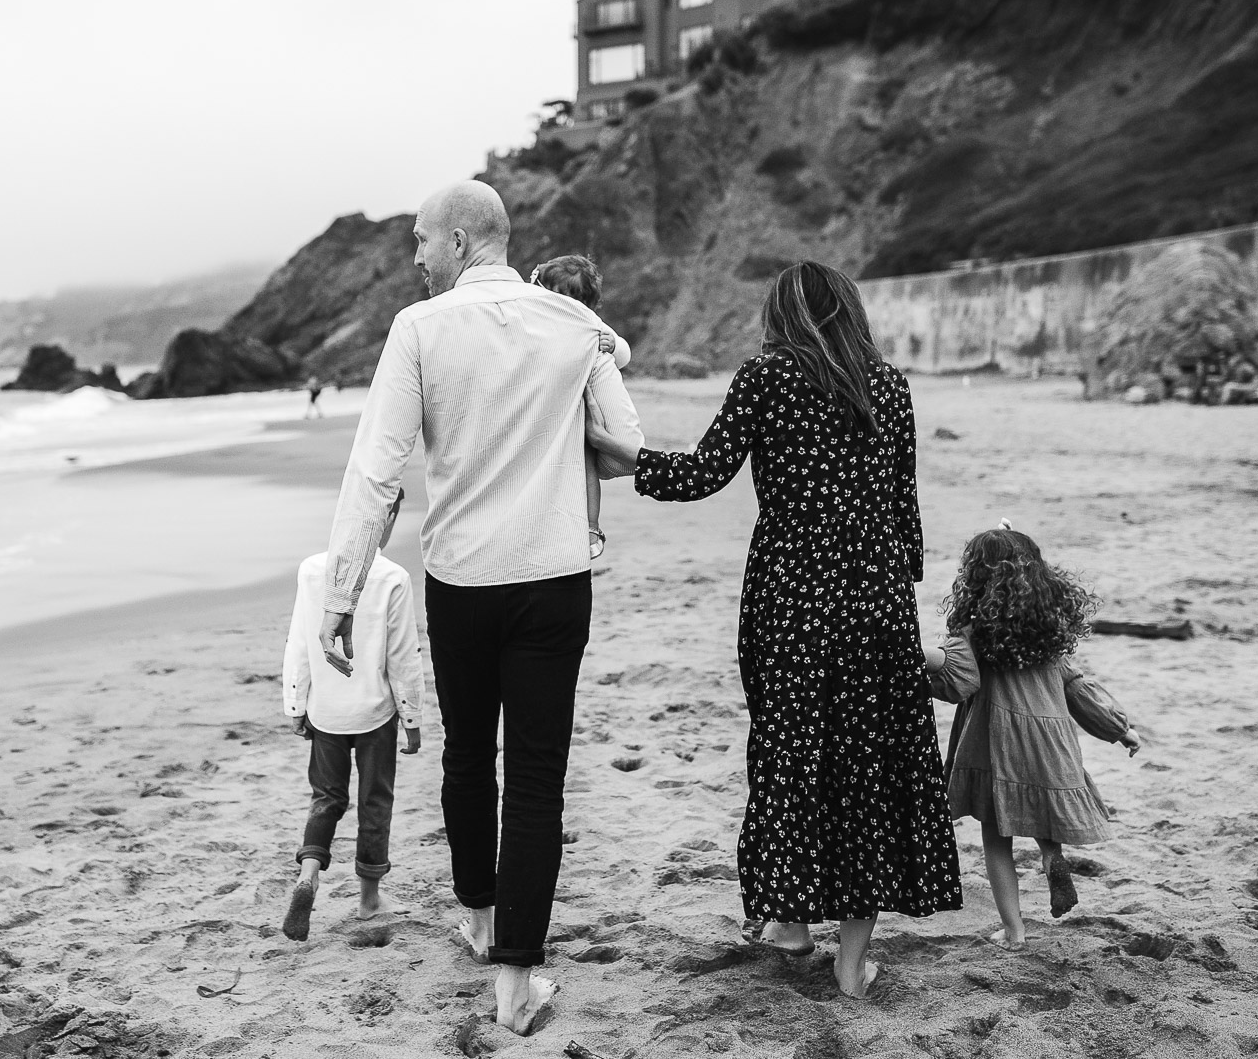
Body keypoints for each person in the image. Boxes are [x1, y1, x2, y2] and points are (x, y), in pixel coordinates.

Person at [586, 260, 962, 999]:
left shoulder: (768, 376)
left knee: (790, 753)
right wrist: (889, 600)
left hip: (790, 600)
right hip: (876, 596)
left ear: (782, 317)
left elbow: (701, 473)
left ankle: (789, 920)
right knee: (868, 770)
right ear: (849, 311)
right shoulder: (889, 387)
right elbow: (905, 515)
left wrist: (619, 448)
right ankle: (852, 963)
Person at [318, 180, 641, 1035]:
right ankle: (516, 984)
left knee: (469, 756)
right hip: (552, 581)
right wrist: (565, 418)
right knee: (536, 777)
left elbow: (376, 473)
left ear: (461, 241)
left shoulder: (418, 330)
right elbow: (627, 448)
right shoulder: (575, 325)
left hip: (462, 586)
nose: (415, 257)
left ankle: (480, 918)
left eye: (421, 241)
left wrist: (340, 594)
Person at [924, 523, 1143, 949]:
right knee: (1045, 801)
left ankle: (1015, 930)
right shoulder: (1047, 631)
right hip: (1049, 743)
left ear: (974, 577)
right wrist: (1121, 729)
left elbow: (960, 682)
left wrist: (923, 661)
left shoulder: (974, 630)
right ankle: (1050, 855)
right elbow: (1078, 688)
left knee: (996, 837)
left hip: (995, 743)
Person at [280, 489, 424, 942]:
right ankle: (367, 900)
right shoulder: (393, 577)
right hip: (375, 713)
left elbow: (301, 642)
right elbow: (403, 656)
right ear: (390, 517)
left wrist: (295, 704)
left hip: (326, 711)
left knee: (327, 797)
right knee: (375, 802)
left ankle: (309, 873)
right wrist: (412, 717)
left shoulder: (312, 570)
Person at [530, 254, 630, 559]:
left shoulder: (592, 328)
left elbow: (624, 354)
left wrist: (612, 344)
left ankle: (590, 526)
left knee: (585, 463)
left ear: (587, 308)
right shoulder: (533, 315)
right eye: (553, 298)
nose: (562, 309)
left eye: (572, 302)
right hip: (547, 408)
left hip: (580, 410)